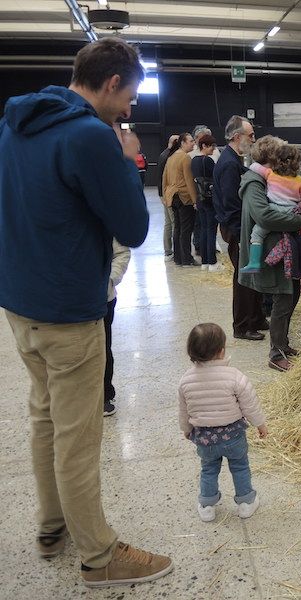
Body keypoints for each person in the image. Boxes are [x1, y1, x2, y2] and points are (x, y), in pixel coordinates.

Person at [0, 37, 172, 587]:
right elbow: (135, 228)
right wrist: (128, 161)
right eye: (130, 97)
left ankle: (52, 525)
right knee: (77, 436)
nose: (129, 109)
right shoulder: (90, 135)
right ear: (112, 83)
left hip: (20, 303)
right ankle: (99, 555)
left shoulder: (15, 124)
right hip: (69, 310)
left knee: (44, 418)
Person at [178, 323, 267, 522]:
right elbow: (249, 404)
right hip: (233, 435)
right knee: (240, 466)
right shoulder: (234, 376)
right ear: (221, 351)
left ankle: (206, 505)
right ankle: (246, 502)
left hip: (205, 438)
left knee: (208, 469)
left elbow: (184, 409)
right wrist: (260, 424)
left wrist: (186, 429)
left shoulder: (186, 380)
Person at [239, 136, 301, 372]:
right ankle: (276, 354)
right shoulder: (254, 182)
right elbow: (264, 216)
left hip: (283, 247)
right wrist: (299, 220)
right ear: (272, 156)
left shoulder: (271, 178)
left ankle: (283, 344)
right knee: (283, 298)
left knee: (291, 295)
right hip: (271, 249)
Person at [213, 115, 267, 341]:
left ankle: (256, 317)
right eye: (250, 135)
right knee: (244, 277)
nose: (253, 139)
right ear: (237, 136)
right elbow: (231, 204)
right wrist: (242, 234)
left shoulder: (234, 160)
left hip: (241, 227)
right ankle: (242, 326)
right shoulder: (229, 164)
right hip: (238, 228)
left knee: (252, 273)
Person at [103, 239, 131, 417]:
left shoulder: (104, 224)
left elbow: (121, 252)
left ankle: (104, 394)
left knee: (102, 347)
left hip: (102, 299)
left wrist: (110, 279)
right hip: (62, 302)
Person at [163, 132, 198, 266]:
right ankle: (187, 258)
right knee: (186, 229)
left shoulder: (171, 157)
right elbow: (189, 181)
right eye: (191, 141)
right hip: (183, 197)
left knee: (177, 227)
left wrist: (166, 196)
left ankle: (178, 258)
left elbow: (164, 178)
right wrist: (194, 200)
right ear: (183, 143)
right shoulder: (185, 158)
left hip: (172, 196)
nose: (193, 143)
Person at [191, 133, 223, 272]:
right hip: (210, 199)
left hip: (200, 199)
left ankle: (204, 261)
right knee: (211, 231)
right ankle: (212, 262)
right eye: (211, 146)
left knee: (203, 229)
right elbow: (216, 177)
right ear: (204, 145)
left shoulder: (194, 161)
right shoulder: (208, 161)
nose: (213, 149)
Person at [157, 133, 179, 259]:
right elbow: (162, 177)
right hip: (169, 194)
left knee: (168, 223)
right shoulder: (169, 156)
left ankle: (168, 250)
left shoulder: (163, 154)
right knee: (174, 222)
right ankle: (176, 251)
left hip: (165, 193)